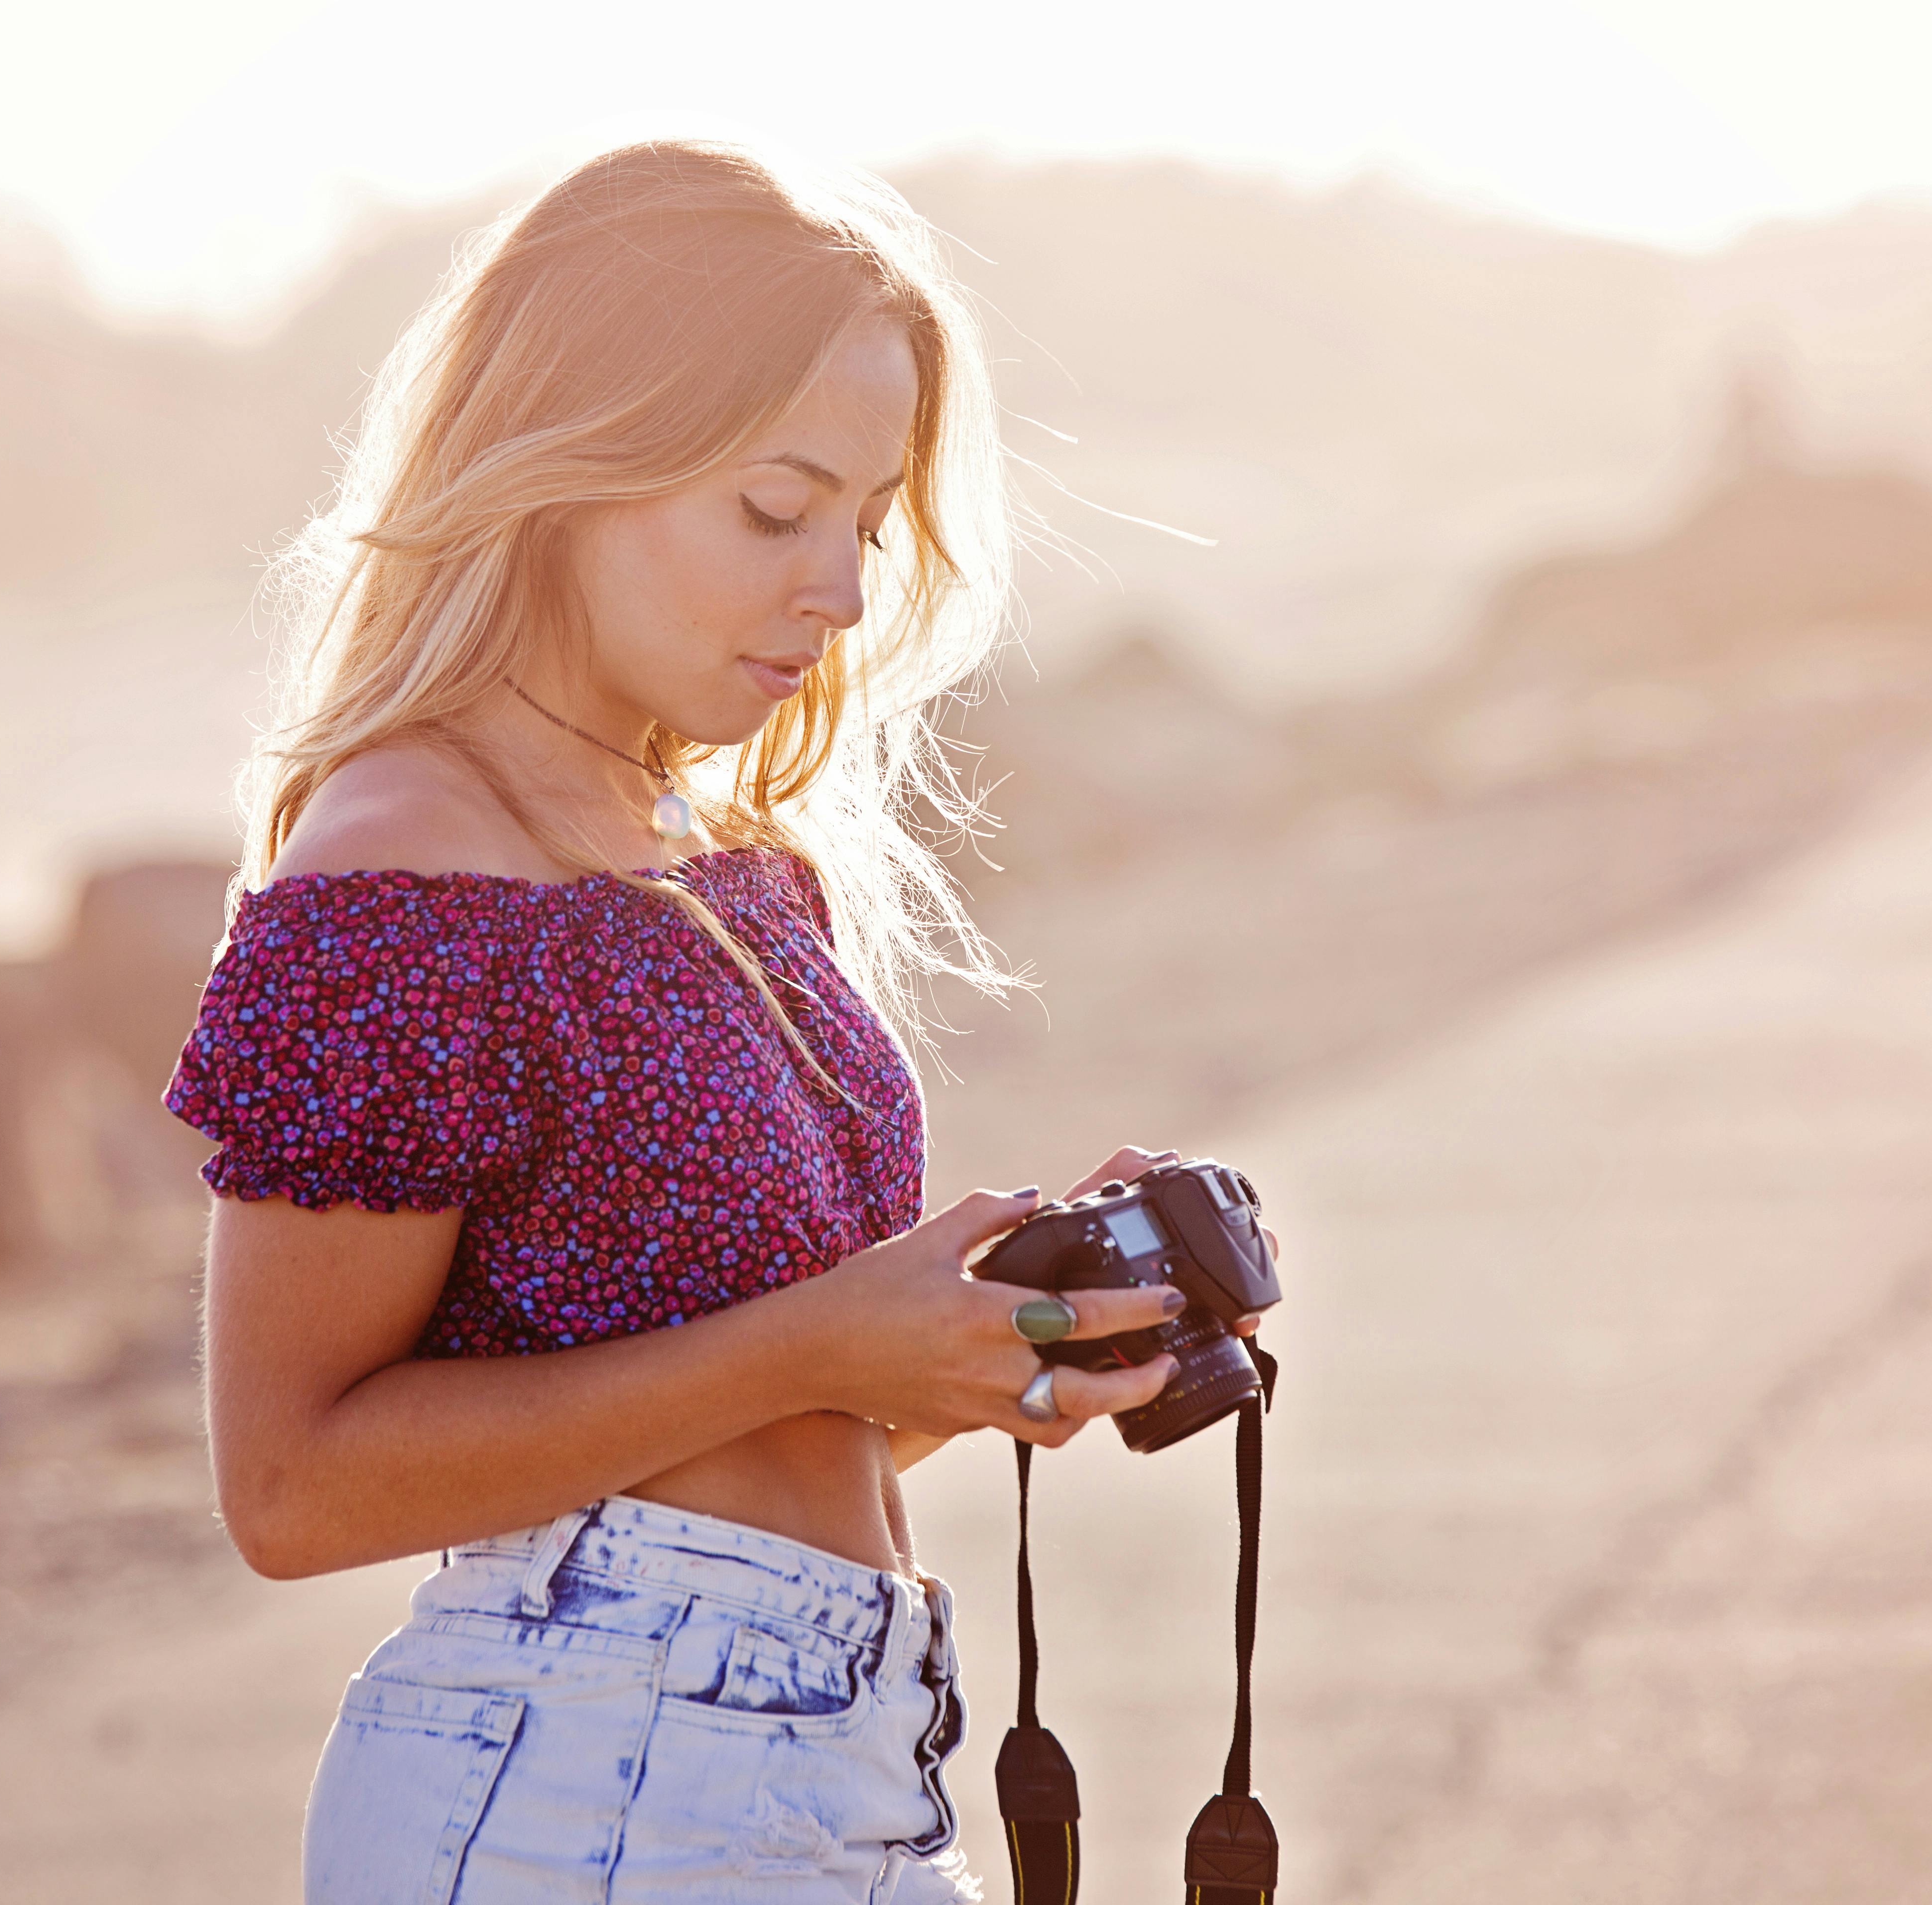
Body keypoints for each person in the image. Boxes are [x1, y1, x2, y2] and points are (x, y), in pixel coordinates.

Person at [163, 139, 1202, 1904]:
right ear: (571, 463)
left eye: (867, 524)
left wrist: (982, 1354)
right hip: (585, 1785)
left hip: (835, 1763)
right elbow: (290, 1486)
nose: (845, 589)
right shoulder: (405, 870)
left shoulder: (725, 862)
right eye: (774, 508)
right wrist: (816, 1347)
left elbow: (748, 1421)